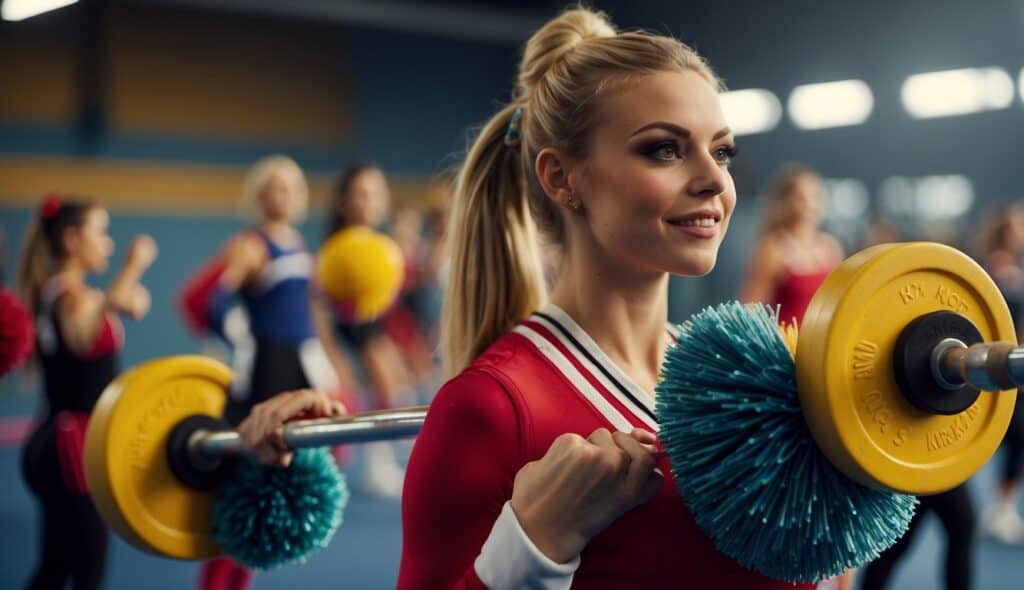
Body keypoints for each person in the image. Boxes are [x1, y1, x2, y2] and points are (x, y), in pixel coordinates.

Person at [240, 7, 816, 589]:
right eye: (664, 150)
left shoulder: (742, 385)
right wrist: (536, 544)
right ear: (561, 177)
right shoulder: (489, 408)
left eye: (722, 152)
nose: (716, 181)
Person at [191, 155, 350, 590]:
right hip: (266, 370)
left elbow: (309, 311)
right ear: (259, 196)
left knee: (276, 488)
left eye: (292, 186)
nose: (285, 194)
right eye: (275, 186)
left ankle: (239, 581)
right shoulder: (252, 245)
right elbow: (211, 304)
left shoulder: (298, 243)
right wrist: (241, 340)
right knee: (246, 485)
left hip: (300, 366)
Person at [17, 194, 156, 590]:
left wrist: (125, 292)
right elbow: (86, 332)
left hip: (61, 442)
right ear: (73, 240)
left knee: (56, 568)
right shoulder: (66, 299)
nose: (109, 243)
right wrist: (133, 266)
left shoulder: (73, 296)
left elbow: (129, 303)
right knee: (87, 576)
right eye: (102, 233)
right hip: (70, 448)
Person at [321, 163, 415, 497]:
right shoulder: (339, 248)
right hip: (348, 327)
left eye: (376, 193)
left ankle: (386, 457)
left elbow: (389, 295)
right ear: (344, 202)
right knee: (377, 389)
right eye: (362, 194)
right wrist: (330, 351)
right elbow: (321, 302)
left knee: (394, 389)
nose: (370, 202)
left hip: (374, 326)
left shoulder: (381, 244)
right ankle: (376, 462)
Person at [739, 164, 843, 327]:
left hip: (823, 347)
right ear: (786, 202)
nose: (809, 204)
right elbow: (749, 309)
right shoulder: (774, 249)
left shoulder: (830, 247)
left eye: (815, 196)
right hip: (787, 347)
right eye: (801, 197)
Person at [976, 203, 1024, 544]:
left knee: (1016, 442)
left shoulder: (1016, 271)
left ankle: (1002, 509)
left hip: (1012, 367)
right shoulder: (990, 271)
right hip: (993, 367)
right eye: (1018, 227)